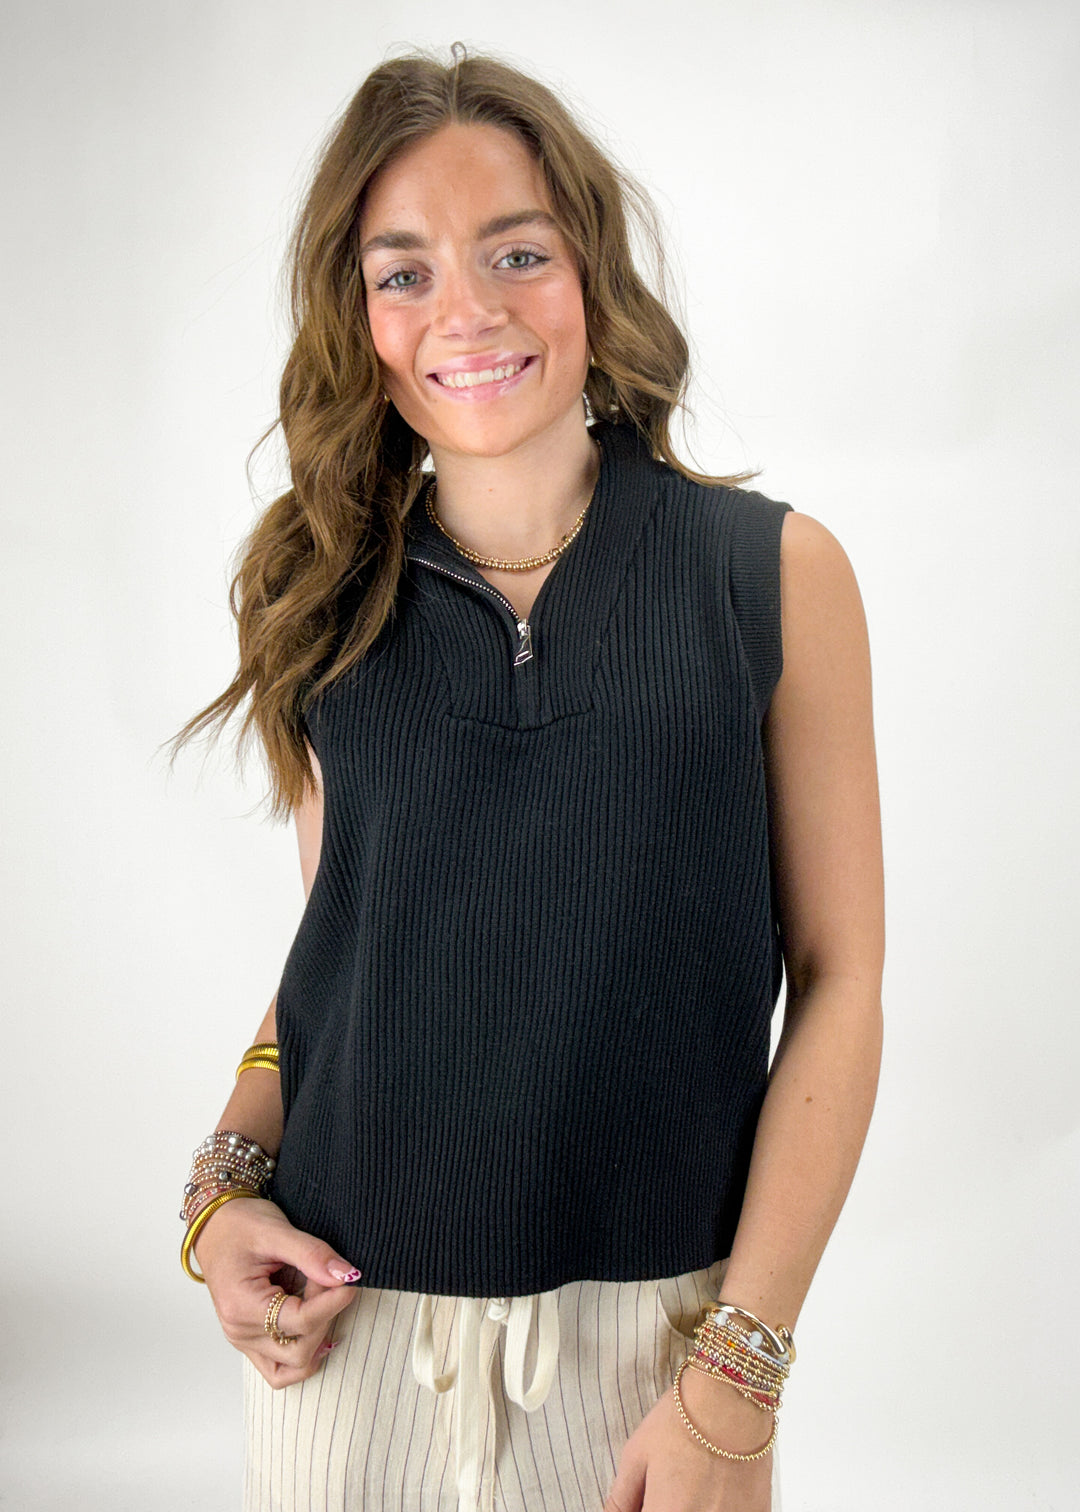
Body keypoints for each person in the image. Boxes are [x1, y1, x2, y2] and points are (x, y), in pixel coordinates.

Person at [170, 42, 884, 1512]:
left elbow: (843, 981)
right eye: (404, 271)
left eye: (516, 251)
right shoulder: (316, 595)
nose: (469, 310)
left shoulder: (774, 579)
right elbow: (343, 956)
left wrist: (735, 1373)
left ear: (591, 272)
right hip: (350, 1341)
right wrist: (223, 1197)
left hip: (658, 1356)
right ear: (358, 319)